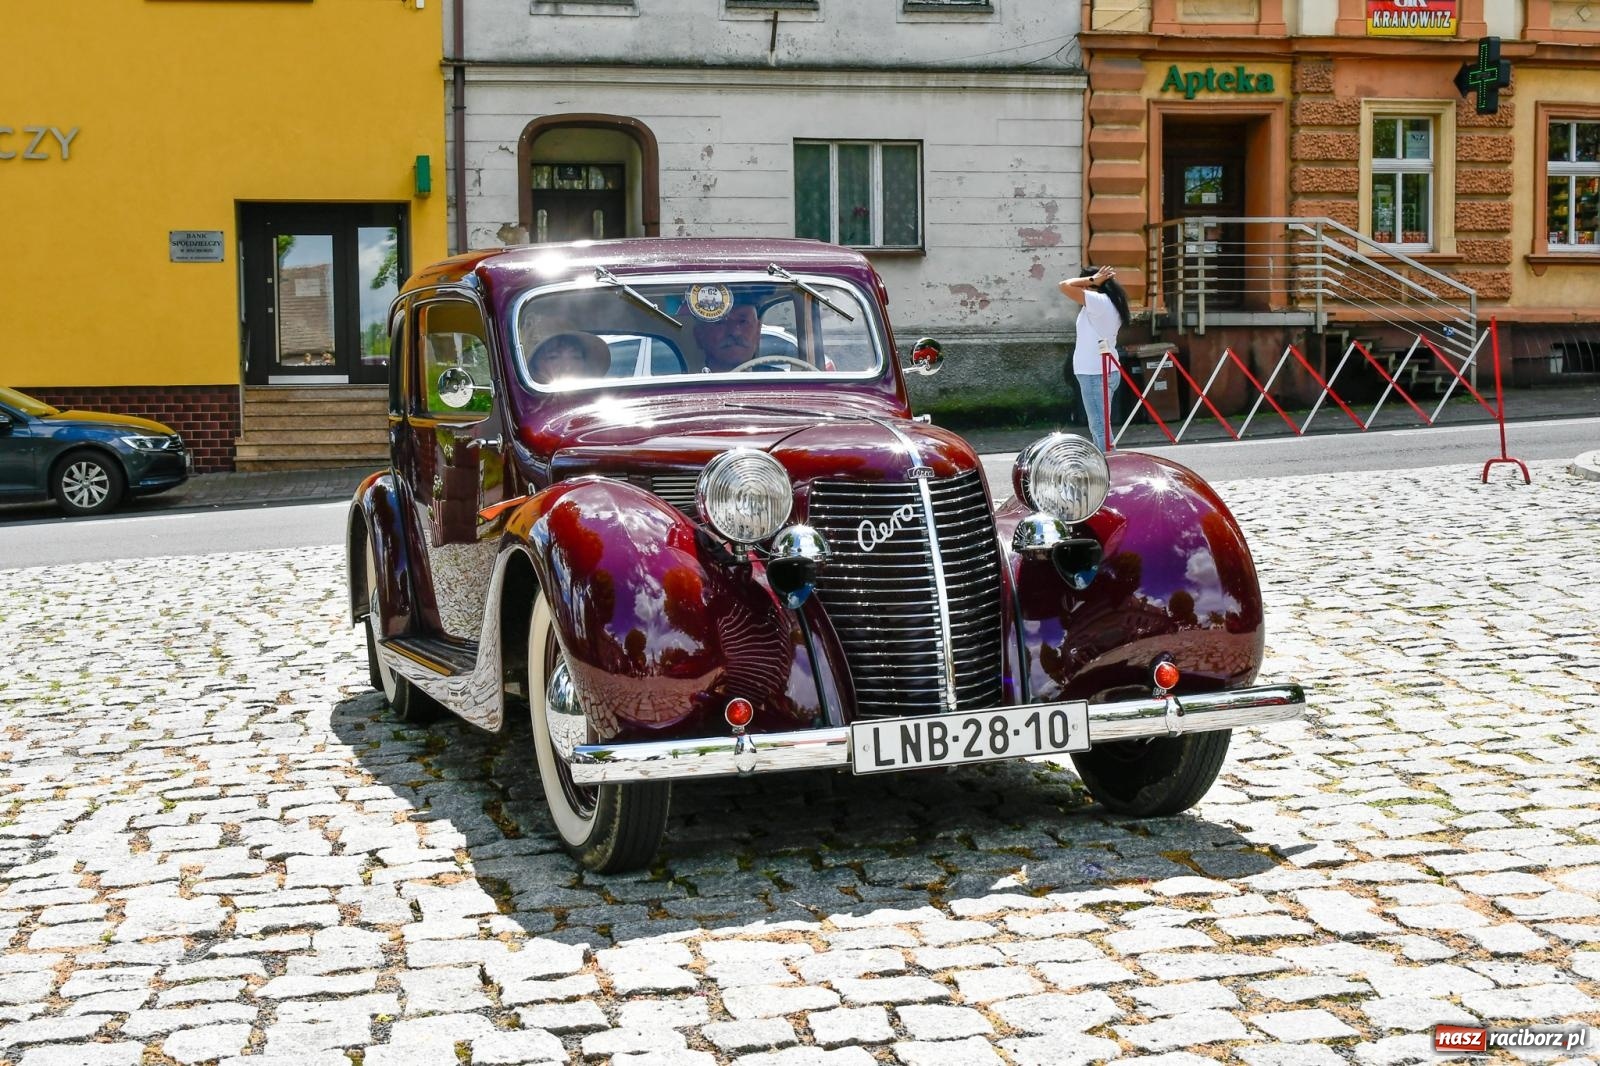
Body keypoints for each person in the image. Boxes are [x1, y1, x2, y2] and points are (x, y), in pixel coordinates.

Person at [1059, 264, 1131, 450]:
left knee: (1099, 427)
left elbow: (1064, 285)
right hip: (1104, 370)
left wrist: (1092, 280)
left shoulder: (1098, 301)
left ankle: (1109, 464)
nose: (1082, 287)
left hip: (1094, 373)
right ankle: (1107, 460)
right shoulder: (1111, 302)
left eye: (1084, 283)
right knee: (1102, 425)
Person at [695, 300, 763, 373]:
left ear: (758, 330)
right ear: (699, 335)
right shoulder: (687, 379)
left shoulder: (771, 376)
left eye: (743, 321)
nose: (735, 332)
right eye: (721, 322)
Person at [528, 330, 609, 384]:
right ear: (534, 365)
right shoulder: (525, 402)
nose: (568, 366)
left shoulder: (595, 399)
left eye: (576, 357)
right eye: (554, 357)